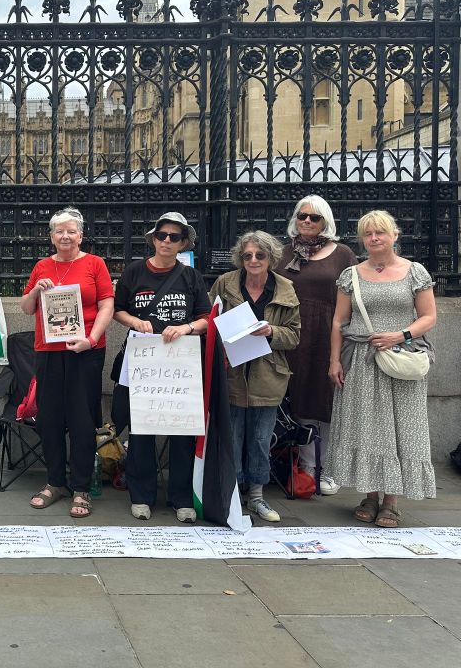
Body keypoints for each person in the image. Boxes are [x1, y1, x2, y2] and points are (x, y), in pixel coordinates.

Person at [328, 211, 437, 527]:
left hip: (401, 359)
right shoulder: (352, 275)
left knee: (401, 427)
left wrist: (399, 334)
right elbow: (339, 321)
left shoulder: (414, 272)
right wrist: (335, 360)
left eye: (380, 232)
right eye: (367, 234)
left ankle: (392, 501)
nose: (374, 239)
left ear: (394, 235)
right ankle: (370, 495)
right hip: (362, 360)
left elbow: (428, 316)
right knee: (368, 427)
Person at [112, 212, 210, 523]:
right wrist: (135, 321)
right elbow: (117, 310)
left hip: (180, 363)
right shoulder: (134, 272)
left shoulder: (191, 277)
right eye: (162, 235)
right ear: (154, 238)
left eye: (175, 237)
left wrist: (186, 328)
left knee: (181, 432)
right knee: (141, 430)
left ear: (183, 243)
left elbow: (207, 319)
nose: (167, 241)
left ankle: (181, 498)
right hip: (143, 360)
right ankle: (141, 495)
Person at [20, 207, 113, 518]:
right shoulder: (42, 266)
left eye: (71, 231)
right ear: (51, 237)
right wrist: (35, 289)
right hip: (49, 350)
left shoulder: (94, 264)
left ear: (80, 235)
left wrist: (91, 337)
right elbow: (25, 307)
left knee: (83, 421)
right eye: (59, 231)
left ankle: (81, 488)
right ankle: (54, 483)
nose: (65, 236)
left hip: (85, 351)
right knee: (49, 420)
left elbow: (106, 306)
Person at [209, 231, 300, 522]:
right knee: (232, 437)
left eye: (260, 255)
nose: (253, 260)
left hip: (268, 373)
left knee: (261, 439)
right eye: (247, 255)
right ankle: (233, 494)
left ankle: (257, 497)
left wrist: (272, 331)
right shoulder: (226, 283)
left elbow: (295, 335)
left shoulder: (285, 288)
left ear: (271, 257)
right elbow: (209, 318)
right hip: (233, 372)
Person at [274, 195, 357, 495]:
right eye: (302, 216)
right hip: (290, 333)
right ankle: (298, 464)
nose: (307, 221)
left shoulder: (343, 254)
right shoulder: (282, 253)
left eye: (314, 217)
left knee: (322, 398)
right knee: (293, 396)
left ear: (326, 221)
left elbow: (352, 297)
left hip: (326, 332)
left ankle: (323, 467)